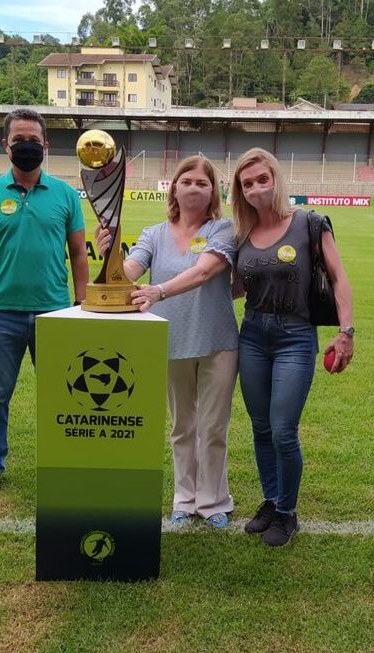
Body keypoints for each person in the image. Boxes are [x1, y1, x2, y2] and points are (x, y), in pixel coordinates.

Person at [94, 156, 239, 528]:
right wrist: (110, 256)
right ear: (173, 187)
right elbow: (129, 272)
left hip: (217, 343)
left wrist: (159, 291)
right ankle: (184, 499)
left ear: (213, 192)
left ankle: (213, 502)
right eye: (186, 180)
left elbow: (205, 271)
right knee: (182, 427)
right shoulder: (153, 233)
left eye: (202, 183)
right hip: (171, 341)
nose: (193, 187)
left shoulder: (224, 229)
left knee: (214, 427)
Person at [230, 147, 355, 547]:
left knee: (284, 429)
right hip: (251, 335)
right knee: (261, 426)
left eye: (261, 180)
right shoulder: (240, 233)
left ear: (276, 179)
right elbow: (232, 288)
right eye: (247, 184)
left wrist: (346, 332)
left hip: (294, 337)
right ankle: (270, 500)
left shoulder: (308, 223)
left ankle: (287, 511)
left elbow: (338, 278)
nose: (255, 189)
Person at [0, 108, 89, 500]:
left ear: (46, 145)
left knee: (61, 395)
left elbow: (79, 255)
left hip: (54, 312)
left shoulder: (67, 195)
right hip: (1, 313)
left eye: (34, 140)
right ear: (6, 145)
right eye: (19, 140)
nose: (27, 146)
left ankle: (64, 464)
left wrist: (82, 304)